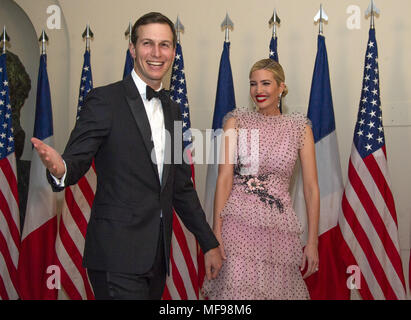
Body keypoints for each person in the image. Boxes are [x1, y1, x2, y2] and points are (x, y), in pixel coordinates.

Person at [31, 12, 222, 300]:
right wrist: (61, 169)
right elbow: (76, 161)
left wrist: (209, 243)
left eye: (165, 45)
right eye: (147, 43)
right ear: (132, 49)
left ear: (173, 52)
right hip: (115, 256)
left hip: (157, 257)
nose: (156, 53)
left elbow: (180, 186)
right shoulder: (104, 100)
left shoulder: (173, 110)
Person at [202, 58, 320, 300]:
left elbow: (310, 188)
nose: (258, 90)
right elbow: (224, 179)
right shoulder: (235, 122)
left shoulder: (300, 128)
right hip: (236, 227)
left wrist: (312, 242)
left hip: (279, 230)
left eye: (266, 83)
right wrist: (216, 233)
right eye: (253, 84)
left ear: (282, 87)